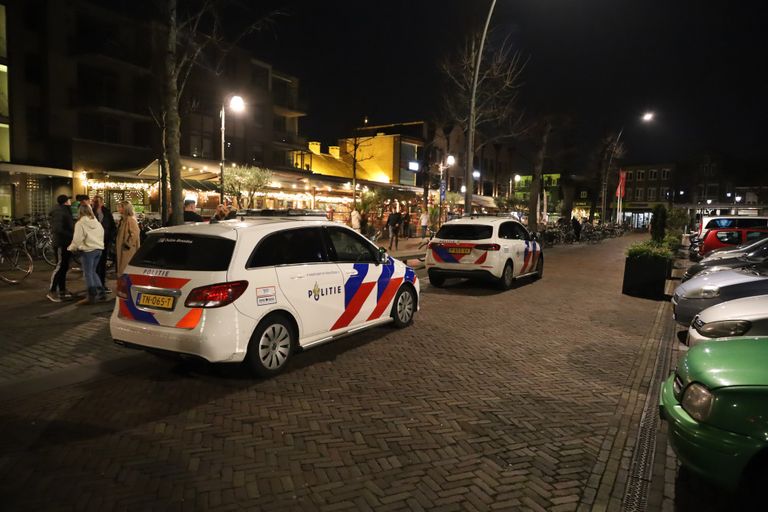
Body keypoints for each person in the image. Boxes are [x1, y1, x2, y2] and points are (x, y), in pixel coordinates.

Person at [68, 203, 105, 305]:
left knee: (88, 273)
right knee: (93, 272)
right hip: (98, 249)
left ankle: (91, 296)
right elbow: (102, 233)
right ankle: (101, 293)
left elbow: (77, 239)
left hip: (88, 251)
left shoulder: (80, 223)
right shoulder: (96, 222)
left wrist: (72, 248)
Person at [47, 194, 76, 302]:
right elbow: (58, 229)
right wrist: (71, 235)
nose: (70, 201)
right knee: (60, 267)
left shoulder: (65, 210)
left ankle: (62, 290)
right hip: (61, 243)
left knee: (64, 267)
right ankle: (52, 291)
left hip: (66, 243)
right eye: (69, 199)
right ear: (65, 201)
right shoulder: (59, 211)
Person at [92, 195, 116, 295]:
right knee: (94, 265)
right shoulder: (91, 212)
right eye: (95, 201)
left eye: (98, 201)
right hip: (94, 242)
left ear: (102, 202)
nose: (96, 203)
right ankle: (95, 285)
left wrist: (110, 238)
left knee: (102, 264)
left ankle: (102, 284)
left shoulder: (106, 212)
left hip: (105, 242)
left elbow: (112, 226)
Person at [115, 201, 141, 276]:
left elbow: (135, 233)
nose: (118, 209)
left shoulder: (130, 219)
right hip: (124, 248)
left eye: (120, 207)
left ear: (125, 208)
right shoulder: (123, 219)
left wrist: (128, 244)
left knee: (126, 270)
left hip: (128, 250)